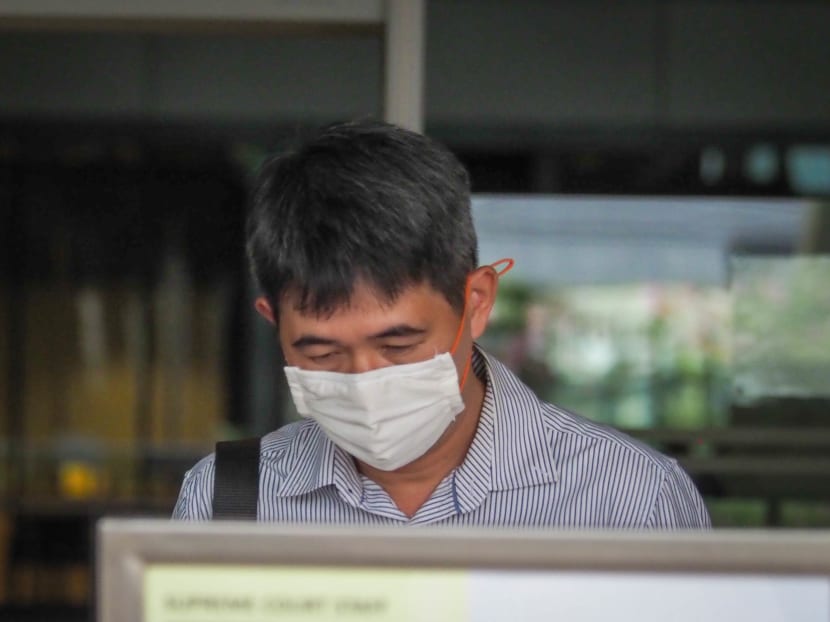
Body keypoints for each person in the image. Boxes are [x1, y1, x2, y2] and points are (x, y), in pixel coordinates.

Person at [173, 120, 710, 528]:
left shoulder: (627, 502)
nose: (365, 381)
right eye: (322, 354)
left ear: (476, 301)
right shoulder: (228, 501)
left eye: (399, 343)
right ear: (273, 323)